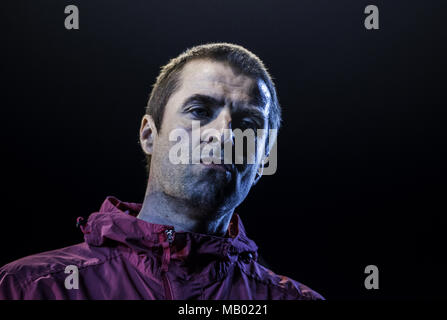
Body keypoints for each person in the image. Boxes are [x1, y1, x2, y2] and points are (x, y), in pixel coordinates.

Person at [0, 43, 324, 300]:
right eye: (199, 111)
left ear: (262, 162)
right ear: (149, 135)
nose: (225, 134)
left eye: (249, 124)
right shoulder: (26, 289)